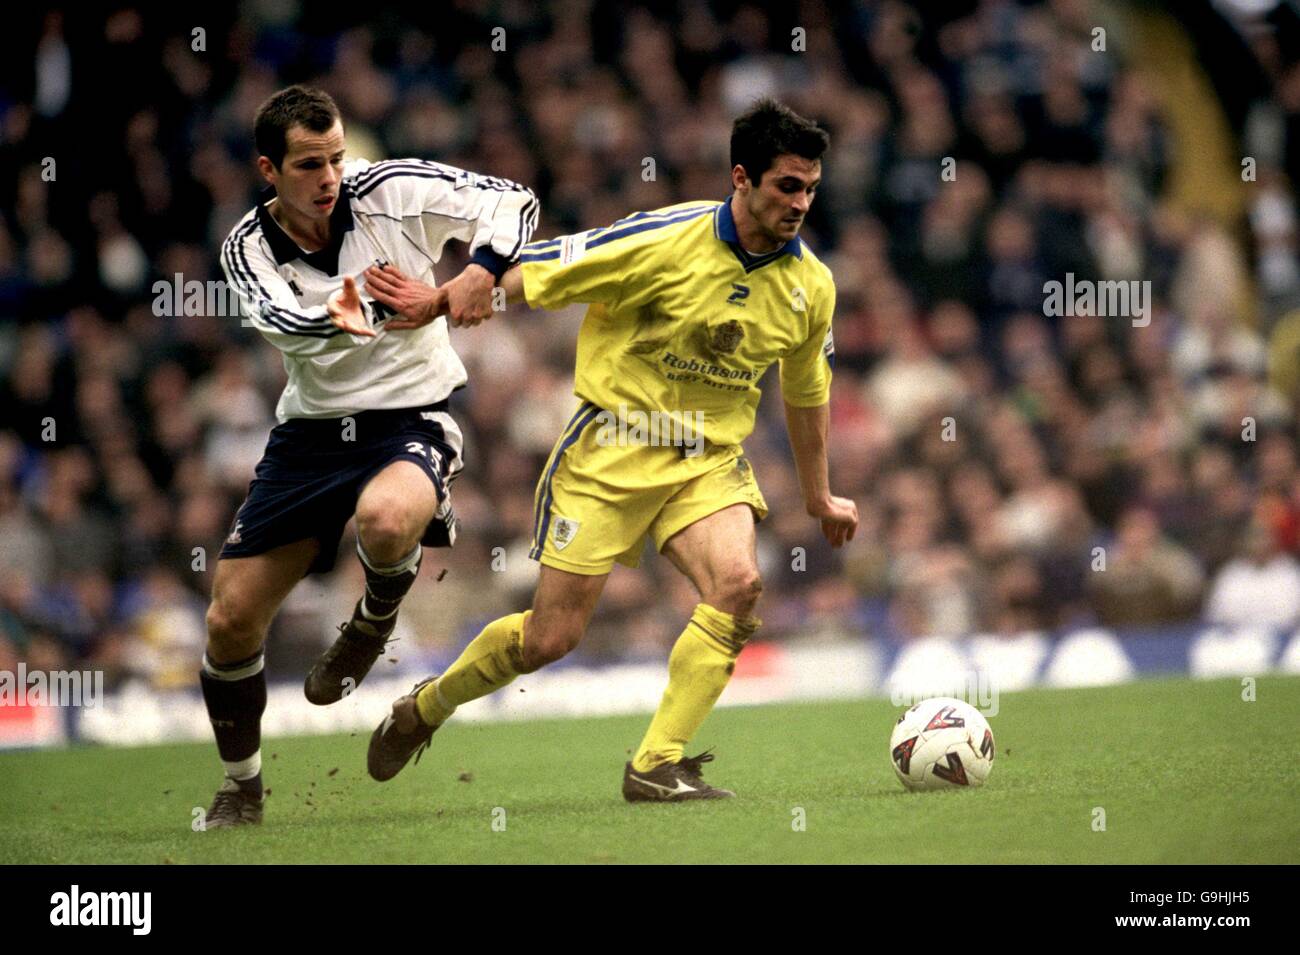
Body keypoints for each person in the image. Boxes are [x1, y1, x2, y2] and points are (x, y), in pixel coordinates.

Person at [363, 99, 857, 801]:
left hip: (705, 460)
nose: (802, 202)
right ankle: (427, 706)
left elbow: (807, 392)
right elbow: (537, 272)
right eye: (787, 185)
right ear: (741, 177)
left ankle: (655, 764)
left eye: (811, 187)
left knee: (740, 586)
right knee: (549, 638)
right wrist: (442, 300)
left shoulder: (813, 287)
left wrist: (819, 494)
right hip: (611, 451)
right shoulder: (662, 239)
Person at [203, 85, 537, 827]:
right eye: (307, 165)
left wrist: (474, 272)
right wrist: (415, 304)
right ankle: (241, 786)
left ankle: (374, 616)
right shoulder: (246, 248)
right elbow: (292, 321)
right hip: (310, 436)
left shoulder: (389, 188)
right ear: (268, 170)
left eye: (335, 157)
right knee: (229, 619)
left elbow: (513, 200)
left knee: (386, 521)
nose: (328, 177)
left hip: (407, 418)